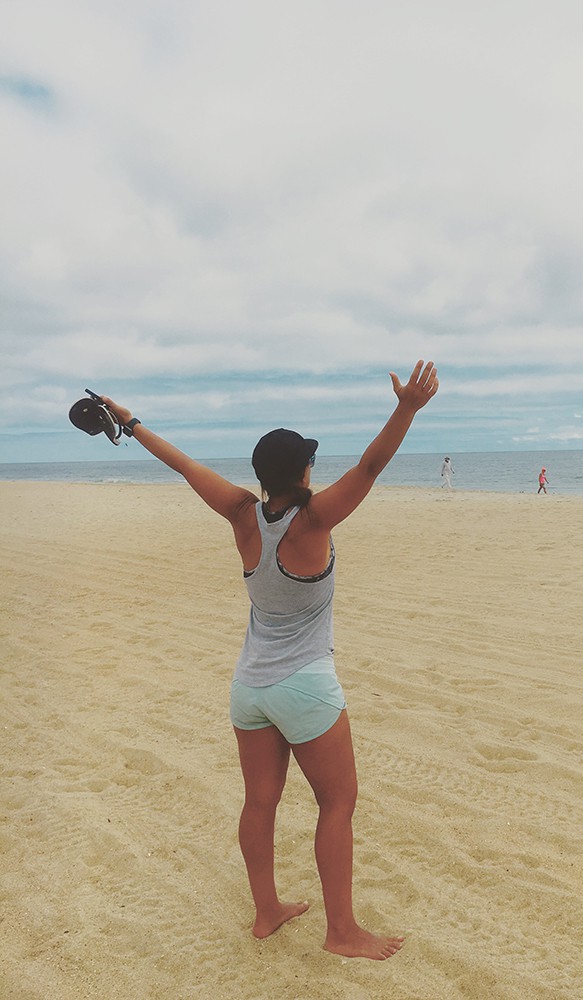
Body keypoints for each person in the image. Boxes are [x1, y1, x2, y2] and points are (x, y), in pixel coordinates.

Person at [101, 360, 438, 961]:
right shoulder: (313, 520)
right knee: (338, 803)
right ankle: (341, 931)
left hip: (248, 687)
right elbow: (370, 466)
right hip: (304, 684)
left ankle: (267, 912)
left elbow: (181, 464)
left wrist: (130, 421)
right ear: (304, 470)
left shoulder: (240, 513)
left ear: (262, 476)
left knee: (260, 801)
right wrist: (407, 408)